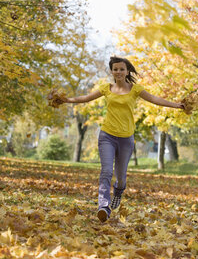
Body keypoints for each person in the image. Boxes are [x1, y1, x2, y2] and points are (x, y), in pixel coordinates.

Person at [56, 56, 184, 223]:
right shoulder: (106, 88)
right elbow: (85, 98)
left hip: (126, 138)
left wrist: (177, 105)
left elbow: (155, 100)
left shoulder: (135, 89)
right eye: (115, 69)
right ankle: (103, 206)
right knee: (106, 171)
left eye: (121, 69)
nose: (118, 72)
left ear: (127, 71)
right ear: (112, 71)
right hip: (107, 136)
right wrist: (66, 100)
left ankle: (118, 192)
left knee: (121, 177)